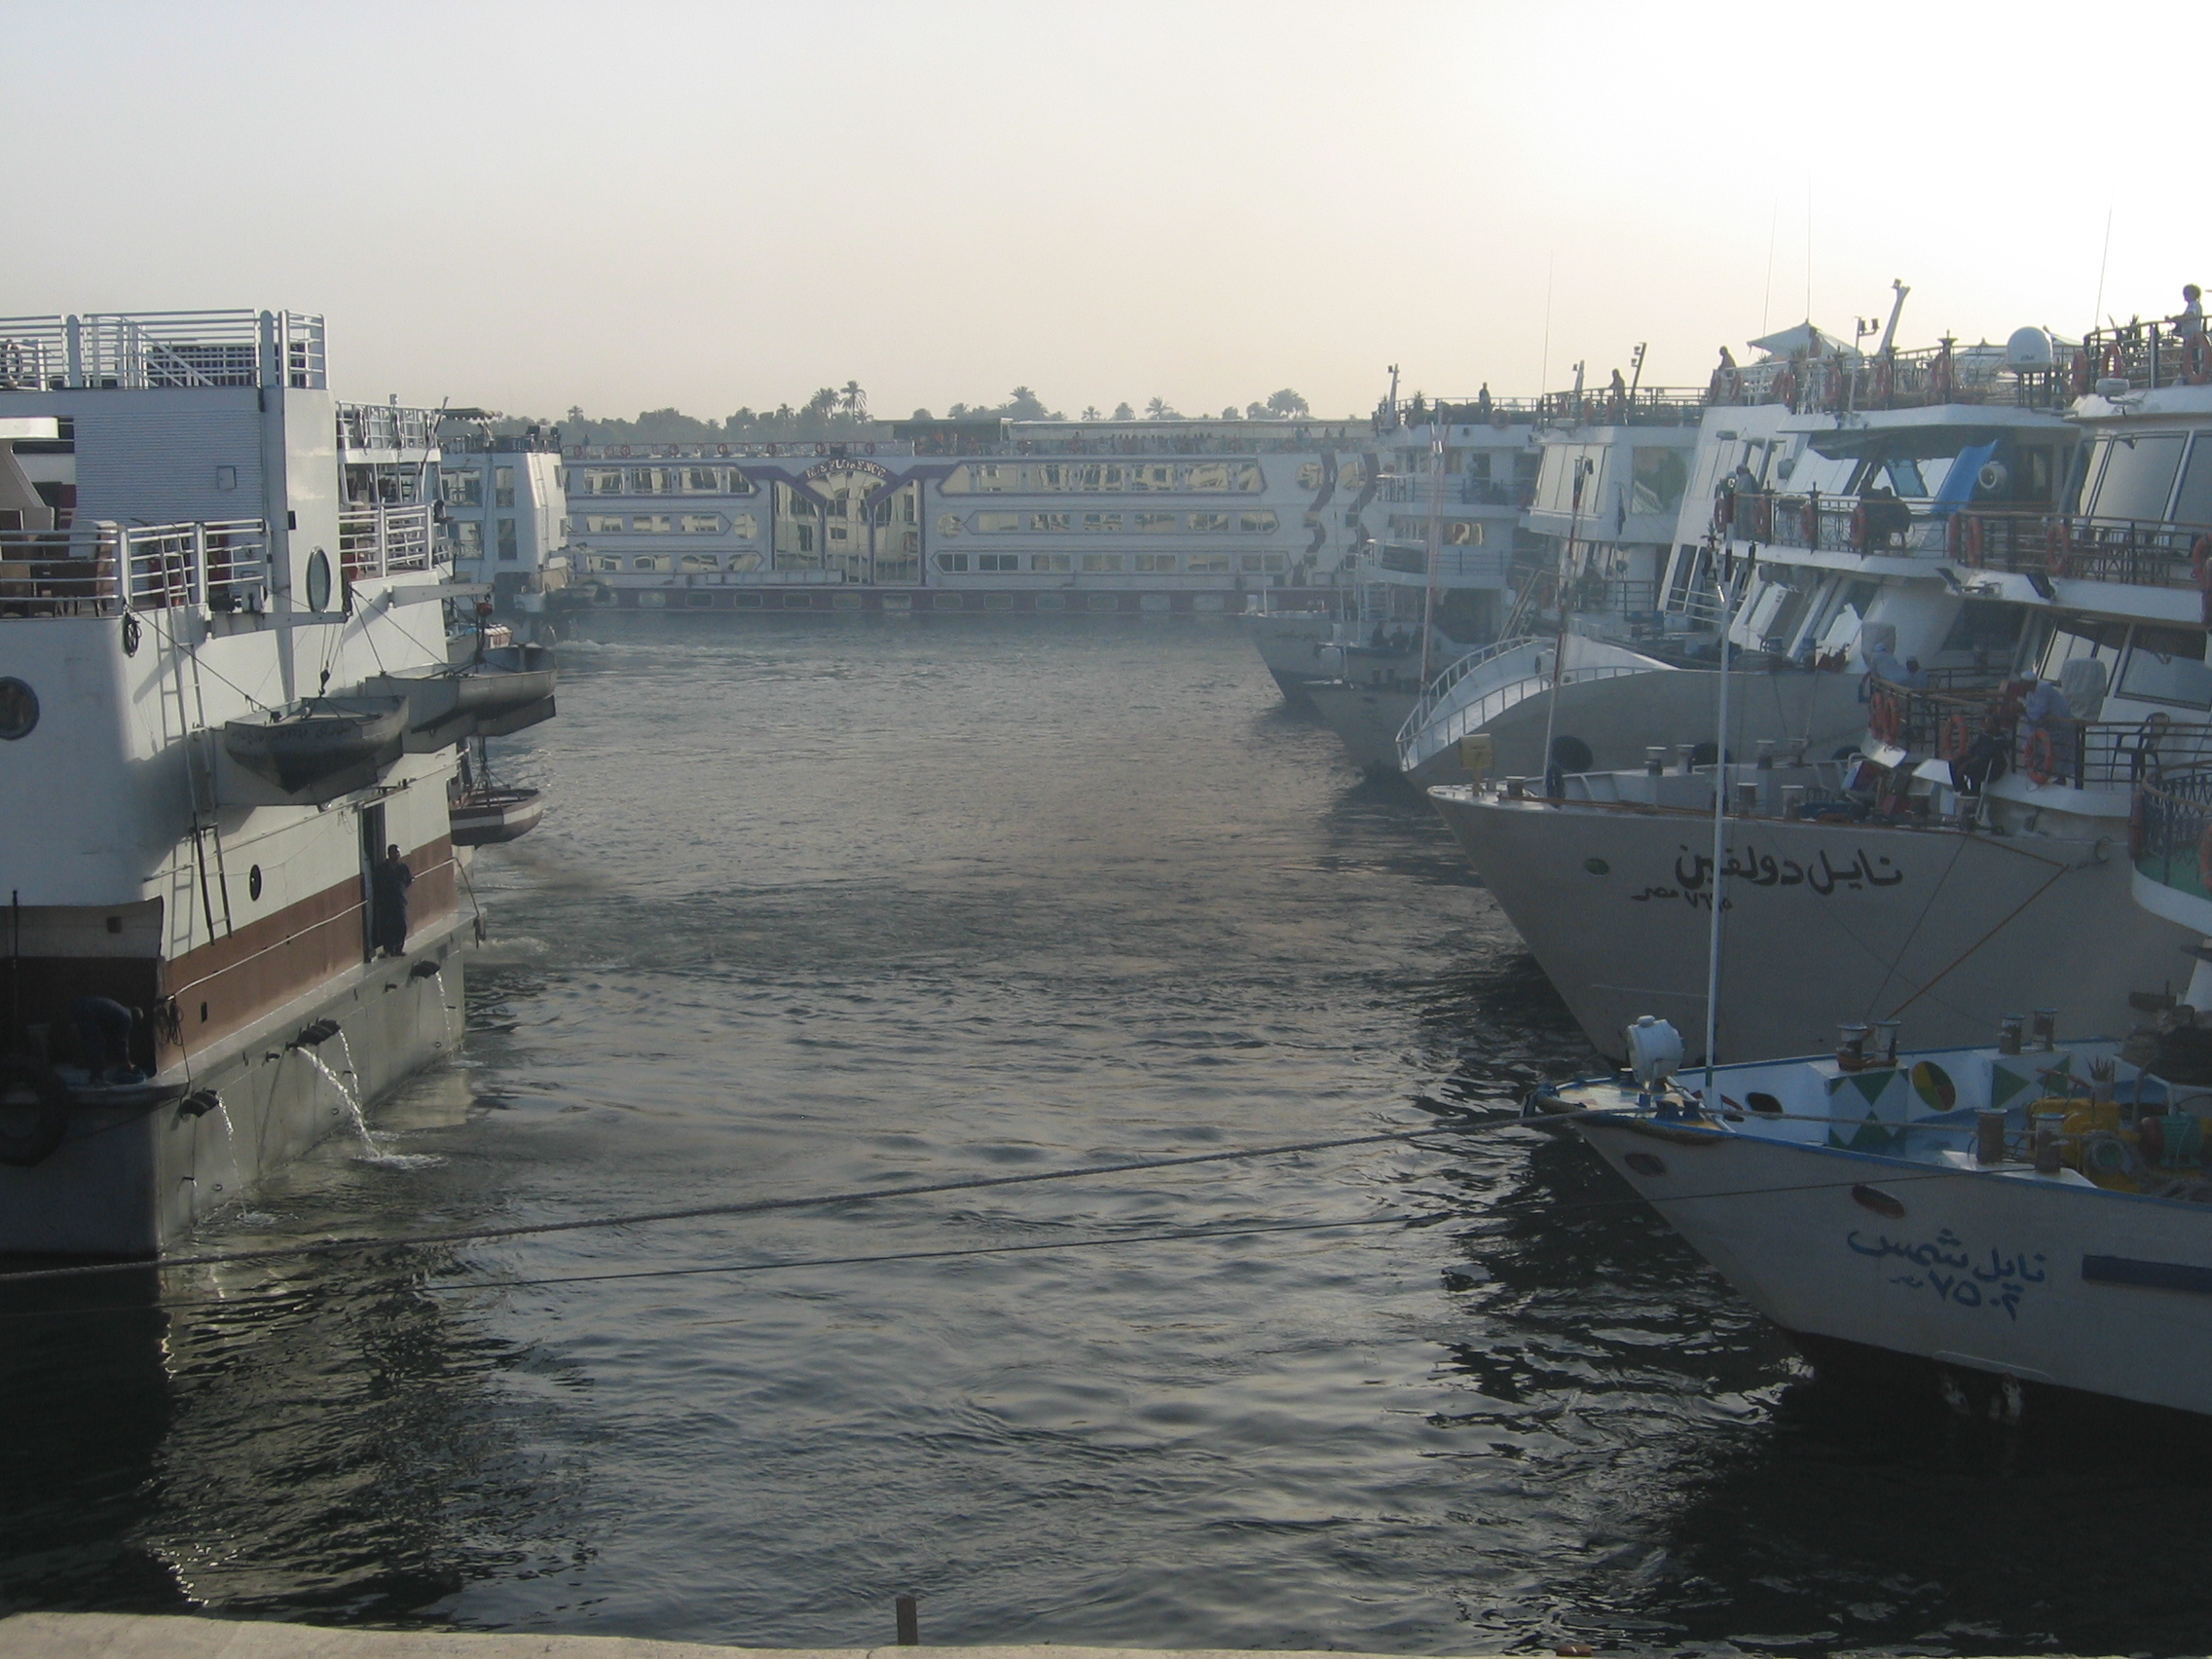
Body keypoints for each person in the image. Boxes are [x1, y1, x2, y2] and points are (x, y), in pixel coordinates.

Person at [71, 995, 139, 1084]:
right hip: (88, 1011)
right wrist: (127, 1063)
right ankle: (96, 1078)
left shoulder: (117, 1011)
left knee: (91, 1039)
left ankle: (81, 1064)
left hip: (79, 1004)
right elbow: (122, 1042)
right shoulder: (127, 1018)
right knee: (97, 1044)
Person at [371, 842, 414, 958]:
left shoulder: (403, 868)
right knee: (387, 925)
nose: (397, 855)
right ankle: (388, 948)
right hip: (386, 902)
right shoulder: (382, 869)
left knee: (401, 924)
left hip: (400, 901)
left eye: (398, 853)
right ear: (390, 854)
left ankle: (399, 948)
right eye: (395, 853)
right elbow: (376, 883)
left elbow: (409, 880)